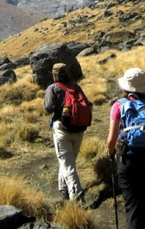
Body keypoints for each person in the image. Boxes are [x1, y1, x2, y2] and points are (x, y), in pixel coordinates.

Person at [106, 68, 145, 229]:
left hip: (129, 157)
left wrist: (110, 153)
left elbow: (111, 139)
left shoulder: (119, 105)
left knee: (133, 202)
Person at [44, 62, 91, 202]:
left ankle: (77, 196)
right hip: (79, 129)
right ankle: (62, 187)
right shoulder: (76, 87)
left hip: (62, 130)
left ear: (54, 75)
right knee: (67, 161)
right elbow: (88, 104)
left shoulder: (52, 88)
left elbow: (49, 108)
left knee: (67, 164)